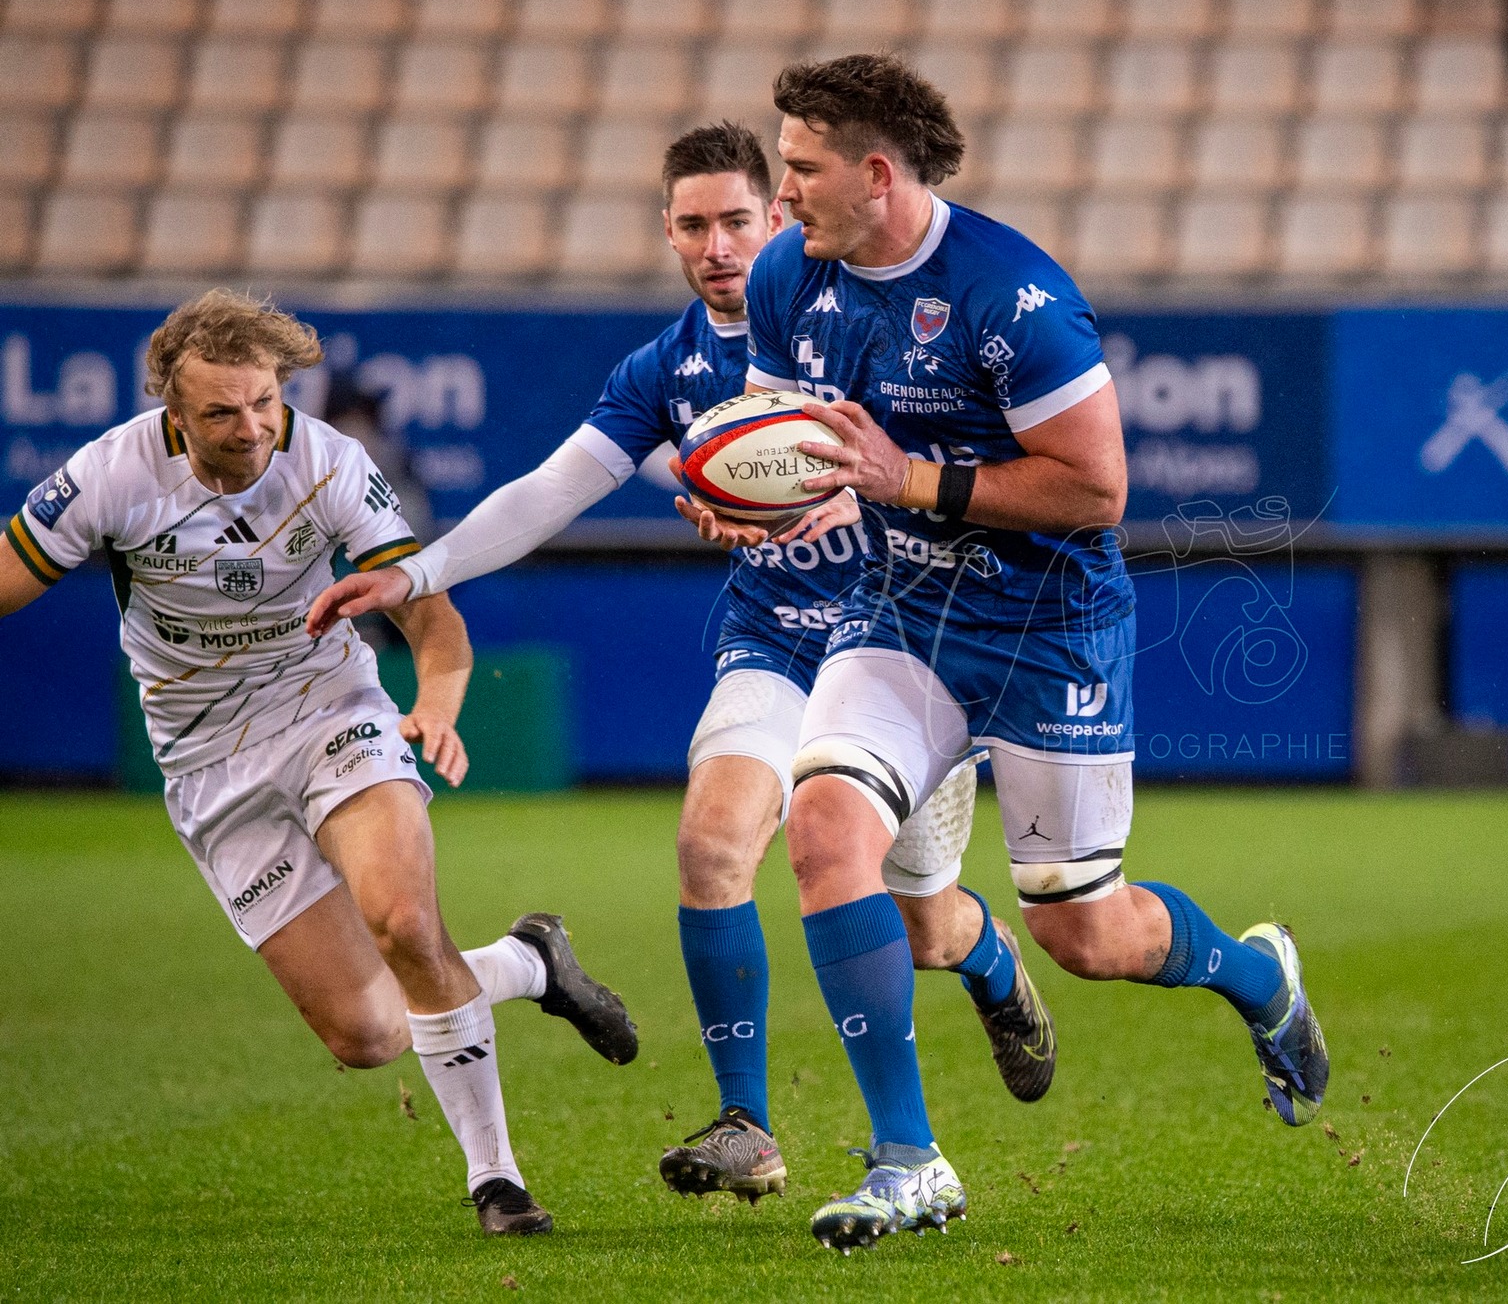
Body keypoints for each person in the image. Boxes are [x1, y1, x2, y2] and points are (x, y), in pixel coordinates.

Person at [306, 122, 1057, 1205]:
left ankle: (986, 956)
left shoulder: (872, 319)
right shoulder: (666, 368)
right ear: (666, 232)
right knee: (711, 843)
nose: (717, 246)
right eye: (693, 225)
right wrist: (417, 575)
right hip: (777, 637)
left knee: (923, 922)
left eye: (737, 221)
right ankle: (746, 1120)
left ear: (780, 220)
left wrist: (867, 487)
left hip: (905, 645)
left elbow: (961, 458)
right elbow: (551, 486)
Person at [707, 53, 1328, 1253]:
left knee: (1083, 932)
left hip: (1049, 627)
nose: (775, 199)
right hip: (897, 609)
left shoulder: (1012, 294)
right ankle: (909, 1160)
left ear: (875, 174)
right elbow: (777, 436)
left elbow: (1096, 489)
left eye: (797, 169)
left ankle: (1259, 977)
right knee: (827, 829)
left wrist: (909, 478)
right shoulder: (793, 274)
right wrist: (753, 494)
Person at [0, 290, 638, 1236]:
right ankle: (529, 962)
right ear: (174, 414)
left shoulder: (332, 461)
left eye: (264, 401)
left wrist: (434, 705)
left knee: (405, 922)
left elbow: (433, 616)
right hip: (209, 762)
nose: (253, 426)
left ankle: (495, 1180)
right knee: (370, 1033)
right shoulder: (110, 474)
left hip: (330, 709)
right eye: (222, 411)